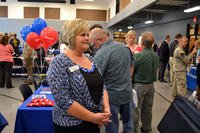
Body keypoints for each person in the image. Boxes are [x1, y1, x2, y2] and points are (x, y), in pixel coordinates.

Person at [46, 19, 111, 133]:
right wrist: (94, 118)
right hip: (71, 125)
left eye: (87, 34)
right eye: (82, 35)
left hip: (94, 121)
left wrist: (106, 109)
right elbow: (63, 100)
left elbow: (102, 86)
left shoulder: (90, 59)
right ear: (71, 37)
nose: (87, 38)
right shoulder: (59, 62)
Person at [89, 28, 134, 133]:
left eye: (93, 43)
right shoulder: (125, 48)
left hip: (112, 96)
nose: (93, 46)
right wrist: (126, 80)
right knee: (128, 122)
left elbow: (96, 78)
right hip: (127, 92)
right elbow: (132, 67)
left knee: (112, 126)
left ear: (100, 39)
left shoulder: (101, 53)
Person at [132, 32, 159, 133]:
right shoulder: (156, 56)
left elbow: (132, 71)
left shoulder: (138, 56)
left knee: (135, 109)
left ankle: (134, 130)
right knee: (147, 109)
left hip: (139, 86)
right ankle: (147, 128)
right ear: (153, 43)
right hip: (151, 86)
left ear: (142, 43)